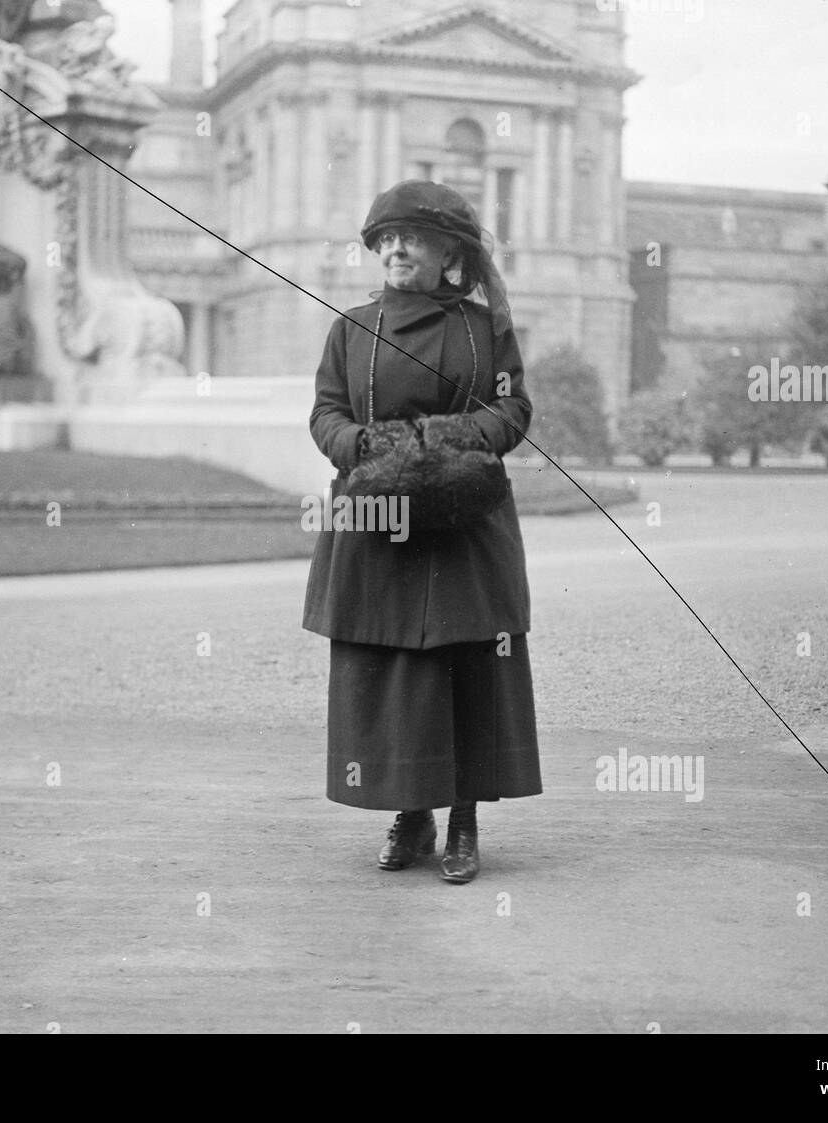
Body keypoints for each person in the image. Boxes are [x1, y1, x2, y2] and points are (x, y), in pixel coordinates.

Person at [302, 180, 541, 884]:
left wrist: (451, 439)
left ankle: (463, 817)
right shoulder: (351, 327)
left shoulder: (482, 327)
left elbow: (513, 408)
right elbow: (326, 412)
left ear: (448, 254)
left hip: (465, 521)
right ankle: (411, 811)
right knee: (396, 671)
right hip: (379, 520)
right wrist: (364, 450)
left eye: (413, 238)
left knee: (464, 665)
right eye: (386, 239)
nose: (397, 248)